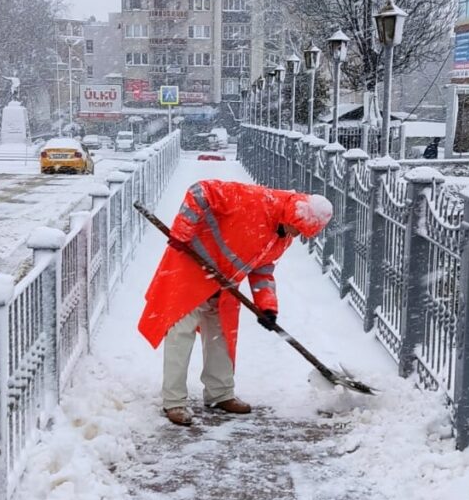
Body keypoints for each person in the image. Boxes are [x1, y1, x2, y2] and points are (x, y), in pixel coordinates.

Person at [138, 181, 333, 426]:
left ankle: (220, 394)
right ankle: (174, 402)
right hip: (190, 272)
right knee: (180, 335)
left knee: (222, 338)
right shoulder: (254, 199)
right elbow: (200, 191)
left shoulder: (281, 237)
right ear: (293, 215)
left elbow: (262, 271)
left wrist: (268, 307)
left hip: (224, 285)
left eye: (301, 233)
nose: (295, 235)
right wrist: (182, 231)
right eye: (296, 228)